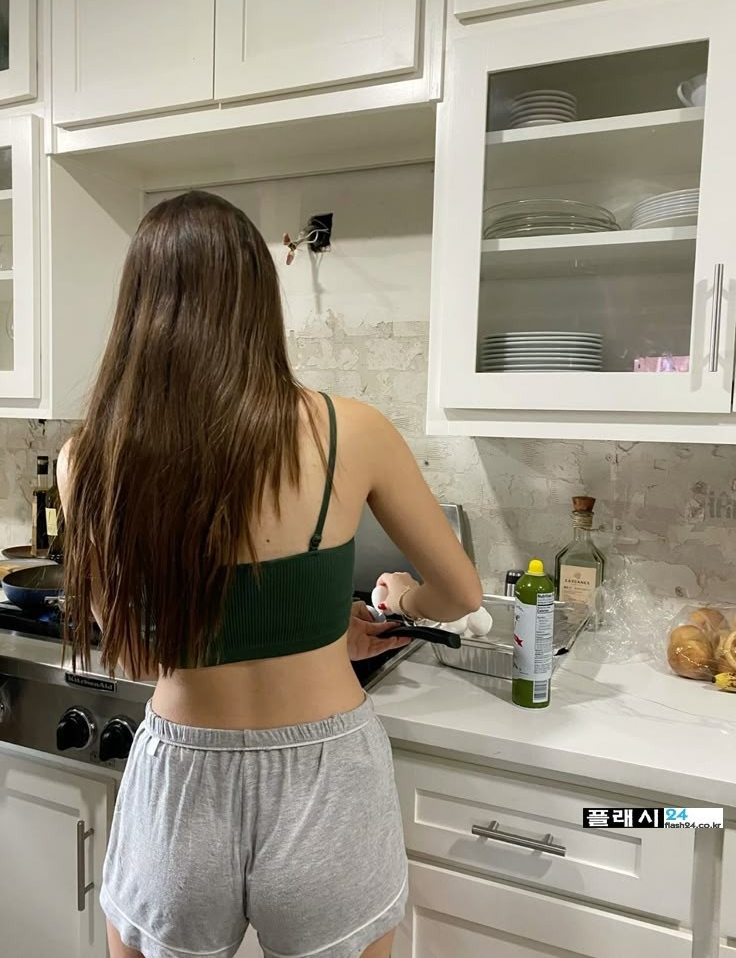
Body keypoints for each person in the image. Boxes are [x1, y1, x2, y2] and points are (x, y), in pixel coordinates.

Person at [58, 190, 482, 958]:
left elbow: (140, 654)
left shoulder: (88, 458)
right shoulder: (352, 428)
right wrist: (397, 599)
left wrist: (316, 628)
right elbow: (460, 594)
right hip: (328, 777)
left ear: (138, 308)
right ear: (259, 302)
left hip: (182, 780)